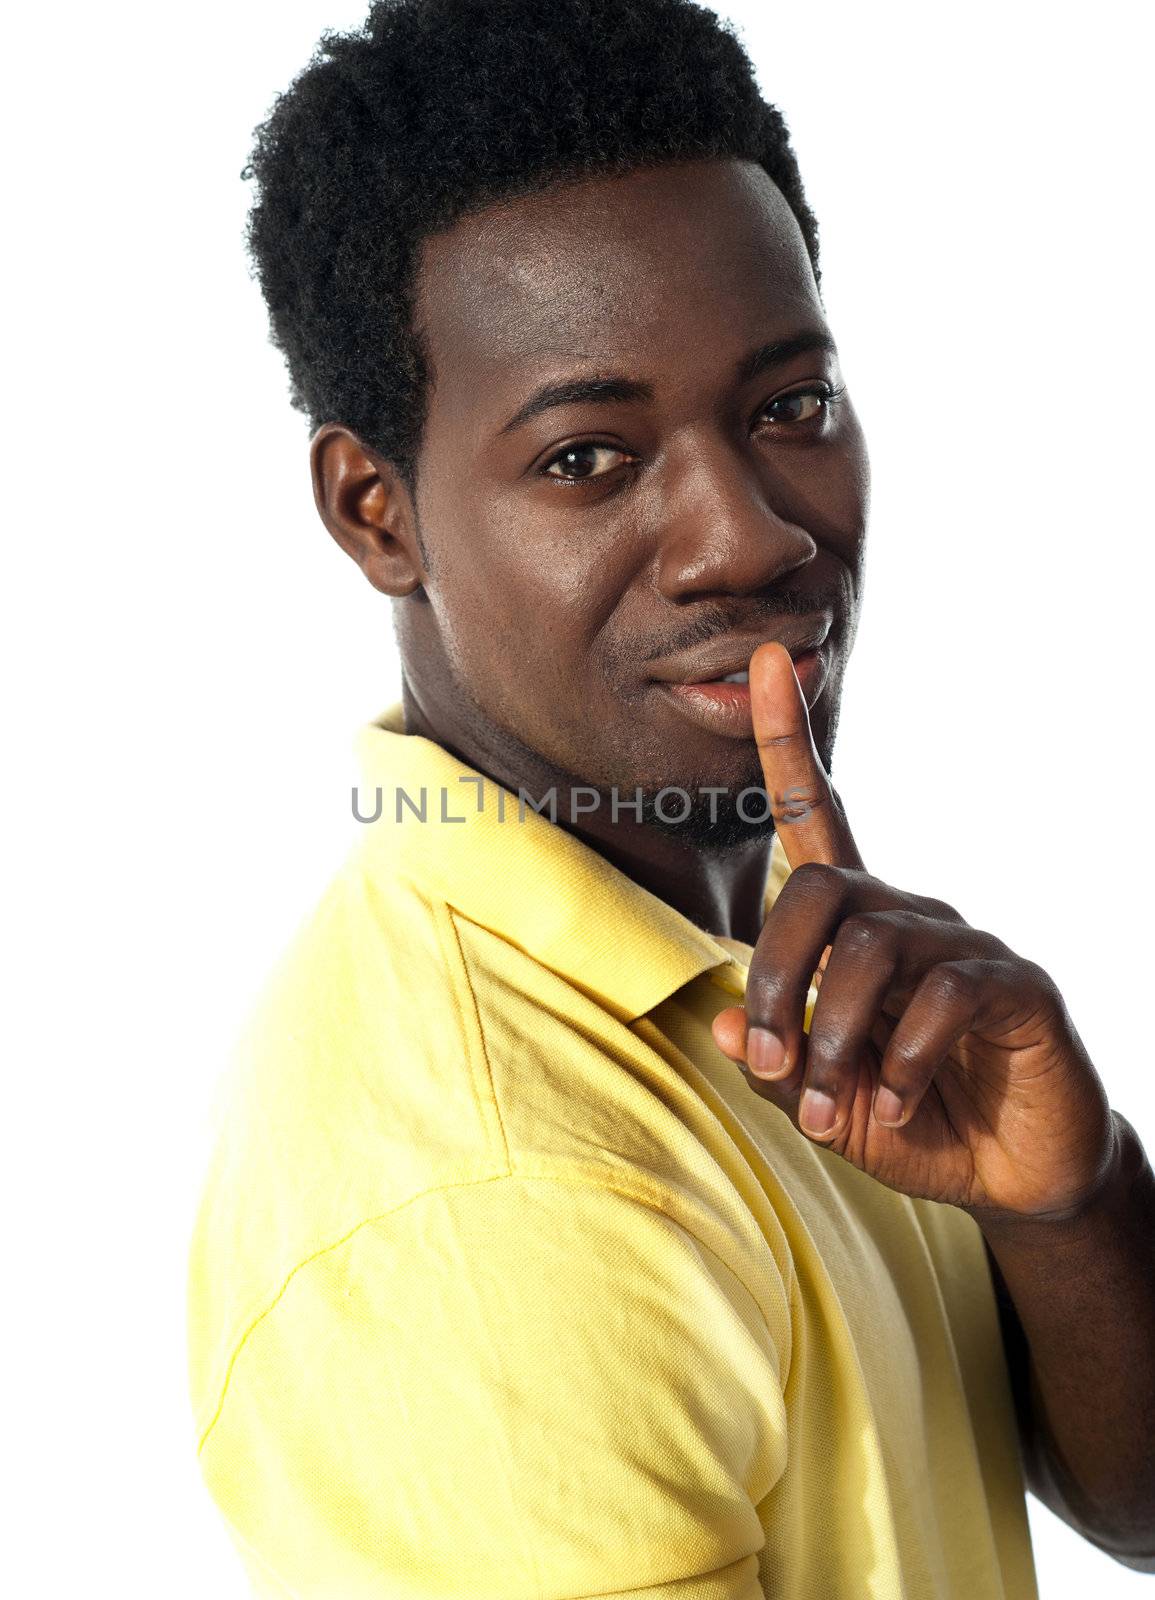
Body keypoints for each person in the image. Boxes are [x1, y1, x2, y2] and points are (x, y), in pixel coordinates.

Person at [186, 1, 1155, 1594]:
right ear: (377, 512)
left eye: (790, 407)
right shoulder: (492, 1207)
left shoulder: (759, 907)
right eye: (589, 459)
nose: (750, 538)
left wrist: (1073, 1204)